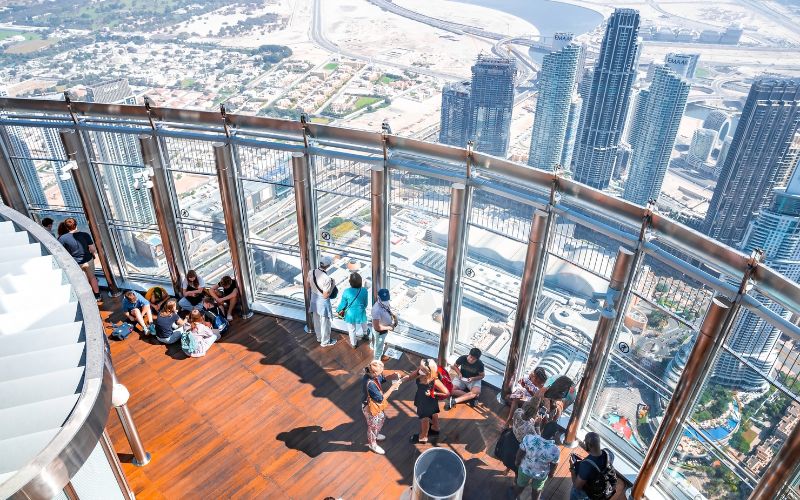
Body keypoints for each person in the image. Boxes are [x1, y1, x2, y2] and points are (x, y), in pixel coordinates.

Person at [400, 359, 449, 444]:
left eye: (422, 369)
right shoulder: (420, 371)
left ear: (429, 372)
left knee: (424, 419)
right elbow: (410, 376)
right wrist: (400, 381)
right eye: (420, 367)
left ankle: (423, 437)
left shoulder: (434, 380)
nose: (420, 369)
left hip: (427, 400)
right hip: (422, 397)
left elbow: (446, 393)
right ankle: (436, 428)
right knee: (433, 413)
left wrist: (433, 393)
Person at [514, 422, 564, 500]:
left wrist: (517, 461)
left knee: (520, 484)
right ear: (554, 435)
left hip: (525, 468)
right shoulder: (555, 450)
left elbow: (520, 452)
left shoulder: (529, 438)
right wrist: (551, 473)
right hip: (540, 474)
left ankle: (515, 497)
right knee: (537, 489)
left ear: (543, 429)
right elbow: (554, 464)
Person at [362, 360, 401, 455]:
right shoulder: (370, 384)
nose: (381, 374)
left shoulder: (372, 375)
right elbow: (381, 399)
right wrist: (392, 387)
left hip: (374, 406)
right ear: (374, 372)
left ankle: (376, 434)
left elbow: (381, 379)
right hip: (370, 408)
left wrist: (391, 376)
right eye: (380, 372)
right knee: (372, 427)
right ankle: (372, 444)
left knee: (381, 418)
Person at [57, 217, 100, 300]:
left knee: (83, 280)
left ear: (66, 227)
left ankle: (88, 297)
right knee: (92, 278)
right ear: (76, 225)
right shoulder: (85, 235)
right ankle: (97, 296)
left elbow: (60, 252)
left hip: (76, 262)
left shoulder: (62, 238)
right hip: (88, 260)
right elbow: (92, 249)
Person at [570, 432, 616, 500]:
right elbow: (596, 456)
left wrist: (572, 468)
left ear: (589, 445)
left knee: (575, 492)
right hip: (602, 487)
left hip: (588, 493)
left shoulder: (585, 466)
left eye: (585, 441)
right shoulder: (608, 453)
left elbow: (577, 486)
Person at [308, 255, 336, 347]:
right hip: (322, 303)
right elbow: (325, 295)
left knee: (316, 320)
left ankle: (319, 337)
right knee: (325, 323)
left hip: (313, 299)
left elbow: (308, 284)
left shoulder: (311, 272)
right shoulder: (326, 278)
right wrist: (332, 285)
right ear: (328, 266)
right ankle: (325, 342)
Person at [337, 272, 369, 348]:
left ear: (350, 282)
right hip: (361, 312)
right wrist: (362, 308)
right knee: (364, 322)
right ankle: (365, 333)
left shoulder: (346, 291)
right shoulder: (364, 290)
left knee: (352, 330)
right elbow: (365, 303)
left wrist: (338, 310)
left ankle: (353, 344)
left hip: (350, 314)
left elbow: (343, 304)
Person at [371, 288, 397, 361]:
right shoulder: (376, 310)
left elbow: (388, 309)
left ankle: (375, 345)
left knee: (378, 343)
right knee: (379, 349)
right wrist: (389, 328)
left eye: (387, 299)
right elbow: (377, 327)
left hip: (384, 330)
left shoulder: (384, 303)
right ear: (379, 297)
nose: (386, 302)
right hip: (380, 332)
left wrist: (393, 316)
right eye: (384, 300)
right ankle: (376, 362)